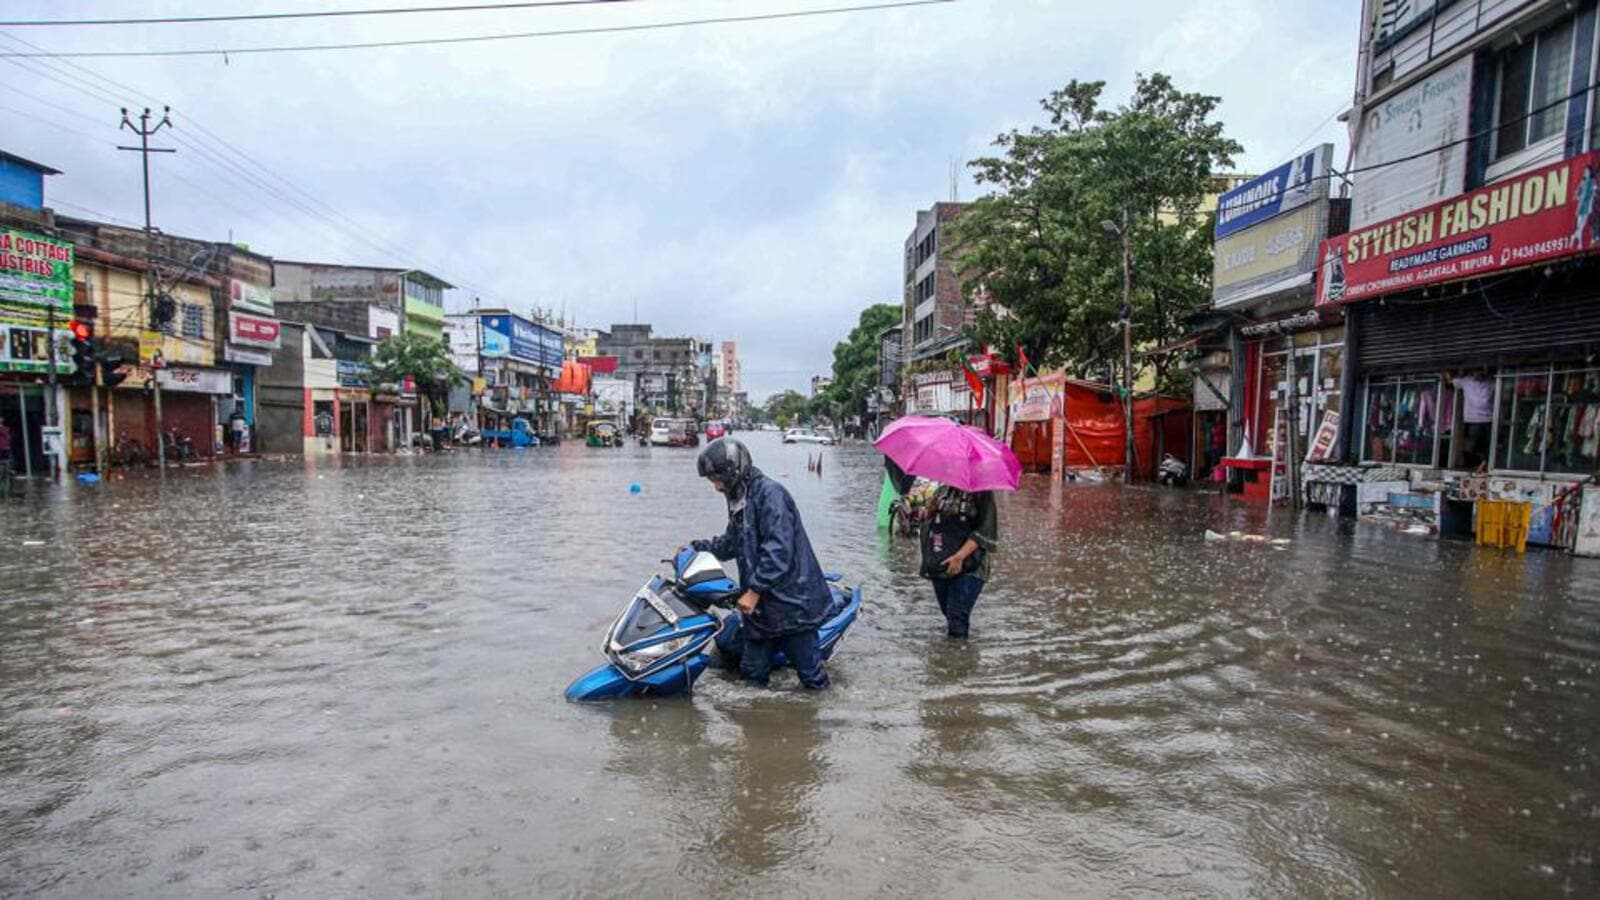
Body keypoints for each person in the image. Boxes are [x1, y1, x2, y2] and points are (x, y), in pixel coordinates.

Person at [690, 437, 833, 690]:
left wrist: (754, 590)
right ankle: (755, 726)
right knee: (751, 676)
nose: (716, 487)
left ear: (733, 472)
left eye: (717, 480)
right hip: (760, 608)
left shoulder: (770, 494)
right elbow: (731, 542)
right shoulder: (739, 499)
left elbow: (778, 550)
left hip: (792, 604)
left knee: (811, 677)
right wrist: (697, 549)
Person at [918, 483, 998, 640]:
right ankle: (953, 655)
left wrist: (960, 556)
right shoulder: (942, 490)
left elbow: (986, 531)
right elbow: (931, 522)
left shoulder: (982, 493)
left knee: (956, 617)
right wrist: (930, 511)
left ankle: (960, 658)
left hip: (971, 565)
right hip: (941, 563)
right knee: (948, 613)